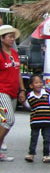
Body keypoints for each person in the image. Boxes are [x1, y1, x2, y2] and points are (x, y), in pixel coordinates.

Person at [0, 24, 26, 161]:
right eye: (9, 37)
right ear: (2, 38)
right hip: (2, 92)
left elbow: (18, 73)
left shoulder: (14, 54)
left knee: (3, 122)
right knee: (8, 120)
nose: (12, 40)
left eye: (13, 38)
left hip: (13, 92)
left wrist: (22, 89)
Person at [24, 74, 50, 162]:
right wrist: (23, 102)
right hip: (35, 121)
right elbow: (28, 106)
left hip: (46, 121)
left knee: (46, 139)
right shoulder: (30, 95)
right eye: (36, 82)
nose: (39, 84)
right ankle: (31, 153)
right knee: (34, 138)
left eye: (40, 82)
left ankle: (46, 155)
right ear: (31, 86)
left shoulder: (47, 93)